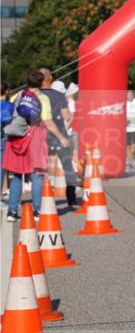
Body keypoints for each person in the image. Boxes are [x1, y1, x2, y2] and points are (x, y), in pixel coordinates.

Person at [4, 70, 65, 220]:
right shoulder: (42, 98)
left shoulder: (17, 96)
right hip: (35, 137)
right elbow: (48, 121)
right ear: (42, 82)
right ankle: (37, 211)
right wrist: (61, 137)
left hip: (16, 137)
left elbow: (10, 113)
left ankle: (12, 212)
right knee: (37, 175)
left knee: (17, 175)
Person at [39, 68, 78, 208]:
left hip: (41, 135)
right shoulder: (58, 95)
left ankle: (43, 198)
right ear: (50, 79)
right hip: (60, 134)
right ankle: (71, 199)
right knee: (68, 166)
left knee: (41, 168)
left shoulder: (33, 94)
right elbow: (67, 116)